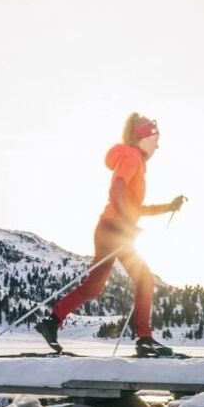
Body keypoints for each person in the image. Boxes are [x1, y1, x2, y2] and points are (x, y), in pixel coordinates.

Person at [36, 113, 185, 357]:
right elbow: (117, 188)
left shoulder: (133, 159)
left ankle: (51, 322)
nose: (158, 146)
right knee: (144, 281)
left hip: (109, 228)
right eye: (155, 139)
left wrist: (168, 207)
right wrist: (126, 222)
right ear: (142, 138)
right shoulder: (132, 156)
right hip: (115, 229)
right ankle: (144, 339)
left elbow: (135, 207)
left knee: (93, 286)